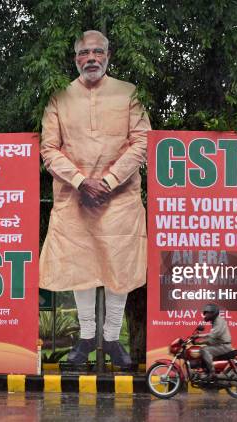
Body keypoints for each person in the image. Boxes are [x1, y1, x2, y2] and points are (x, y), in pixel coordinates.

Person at [39, 30, 150, 367]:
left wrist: (109, 181)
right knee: (80, 266)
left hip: (121, 199)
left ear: (108, 55)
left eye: (97, 52)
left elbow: (142, 143)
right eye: (84, 52)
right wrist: (80, 181)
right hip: (74, 198)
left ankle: (113, 338)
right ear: (75, 59)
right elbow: (48, 149)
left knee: (120, 266)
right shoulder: (58, 97)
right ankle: (87, 338)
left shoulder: (130, 93)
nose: (91, 58)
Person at [194, 303, 232, 380]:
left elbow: (213, 336)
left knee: (204, 350)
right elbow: (212, 337)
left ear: (213, 313)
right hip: (220, 345)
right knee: (204, 348)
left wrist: (199, 339)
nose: (206, 315)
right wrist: (198, 339)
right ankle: (204, 371)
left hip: (224, 346)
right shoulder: (215, 321)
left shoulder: (219, 321)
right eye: (205, 313)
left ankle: (212, 372)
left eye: (208, 313)